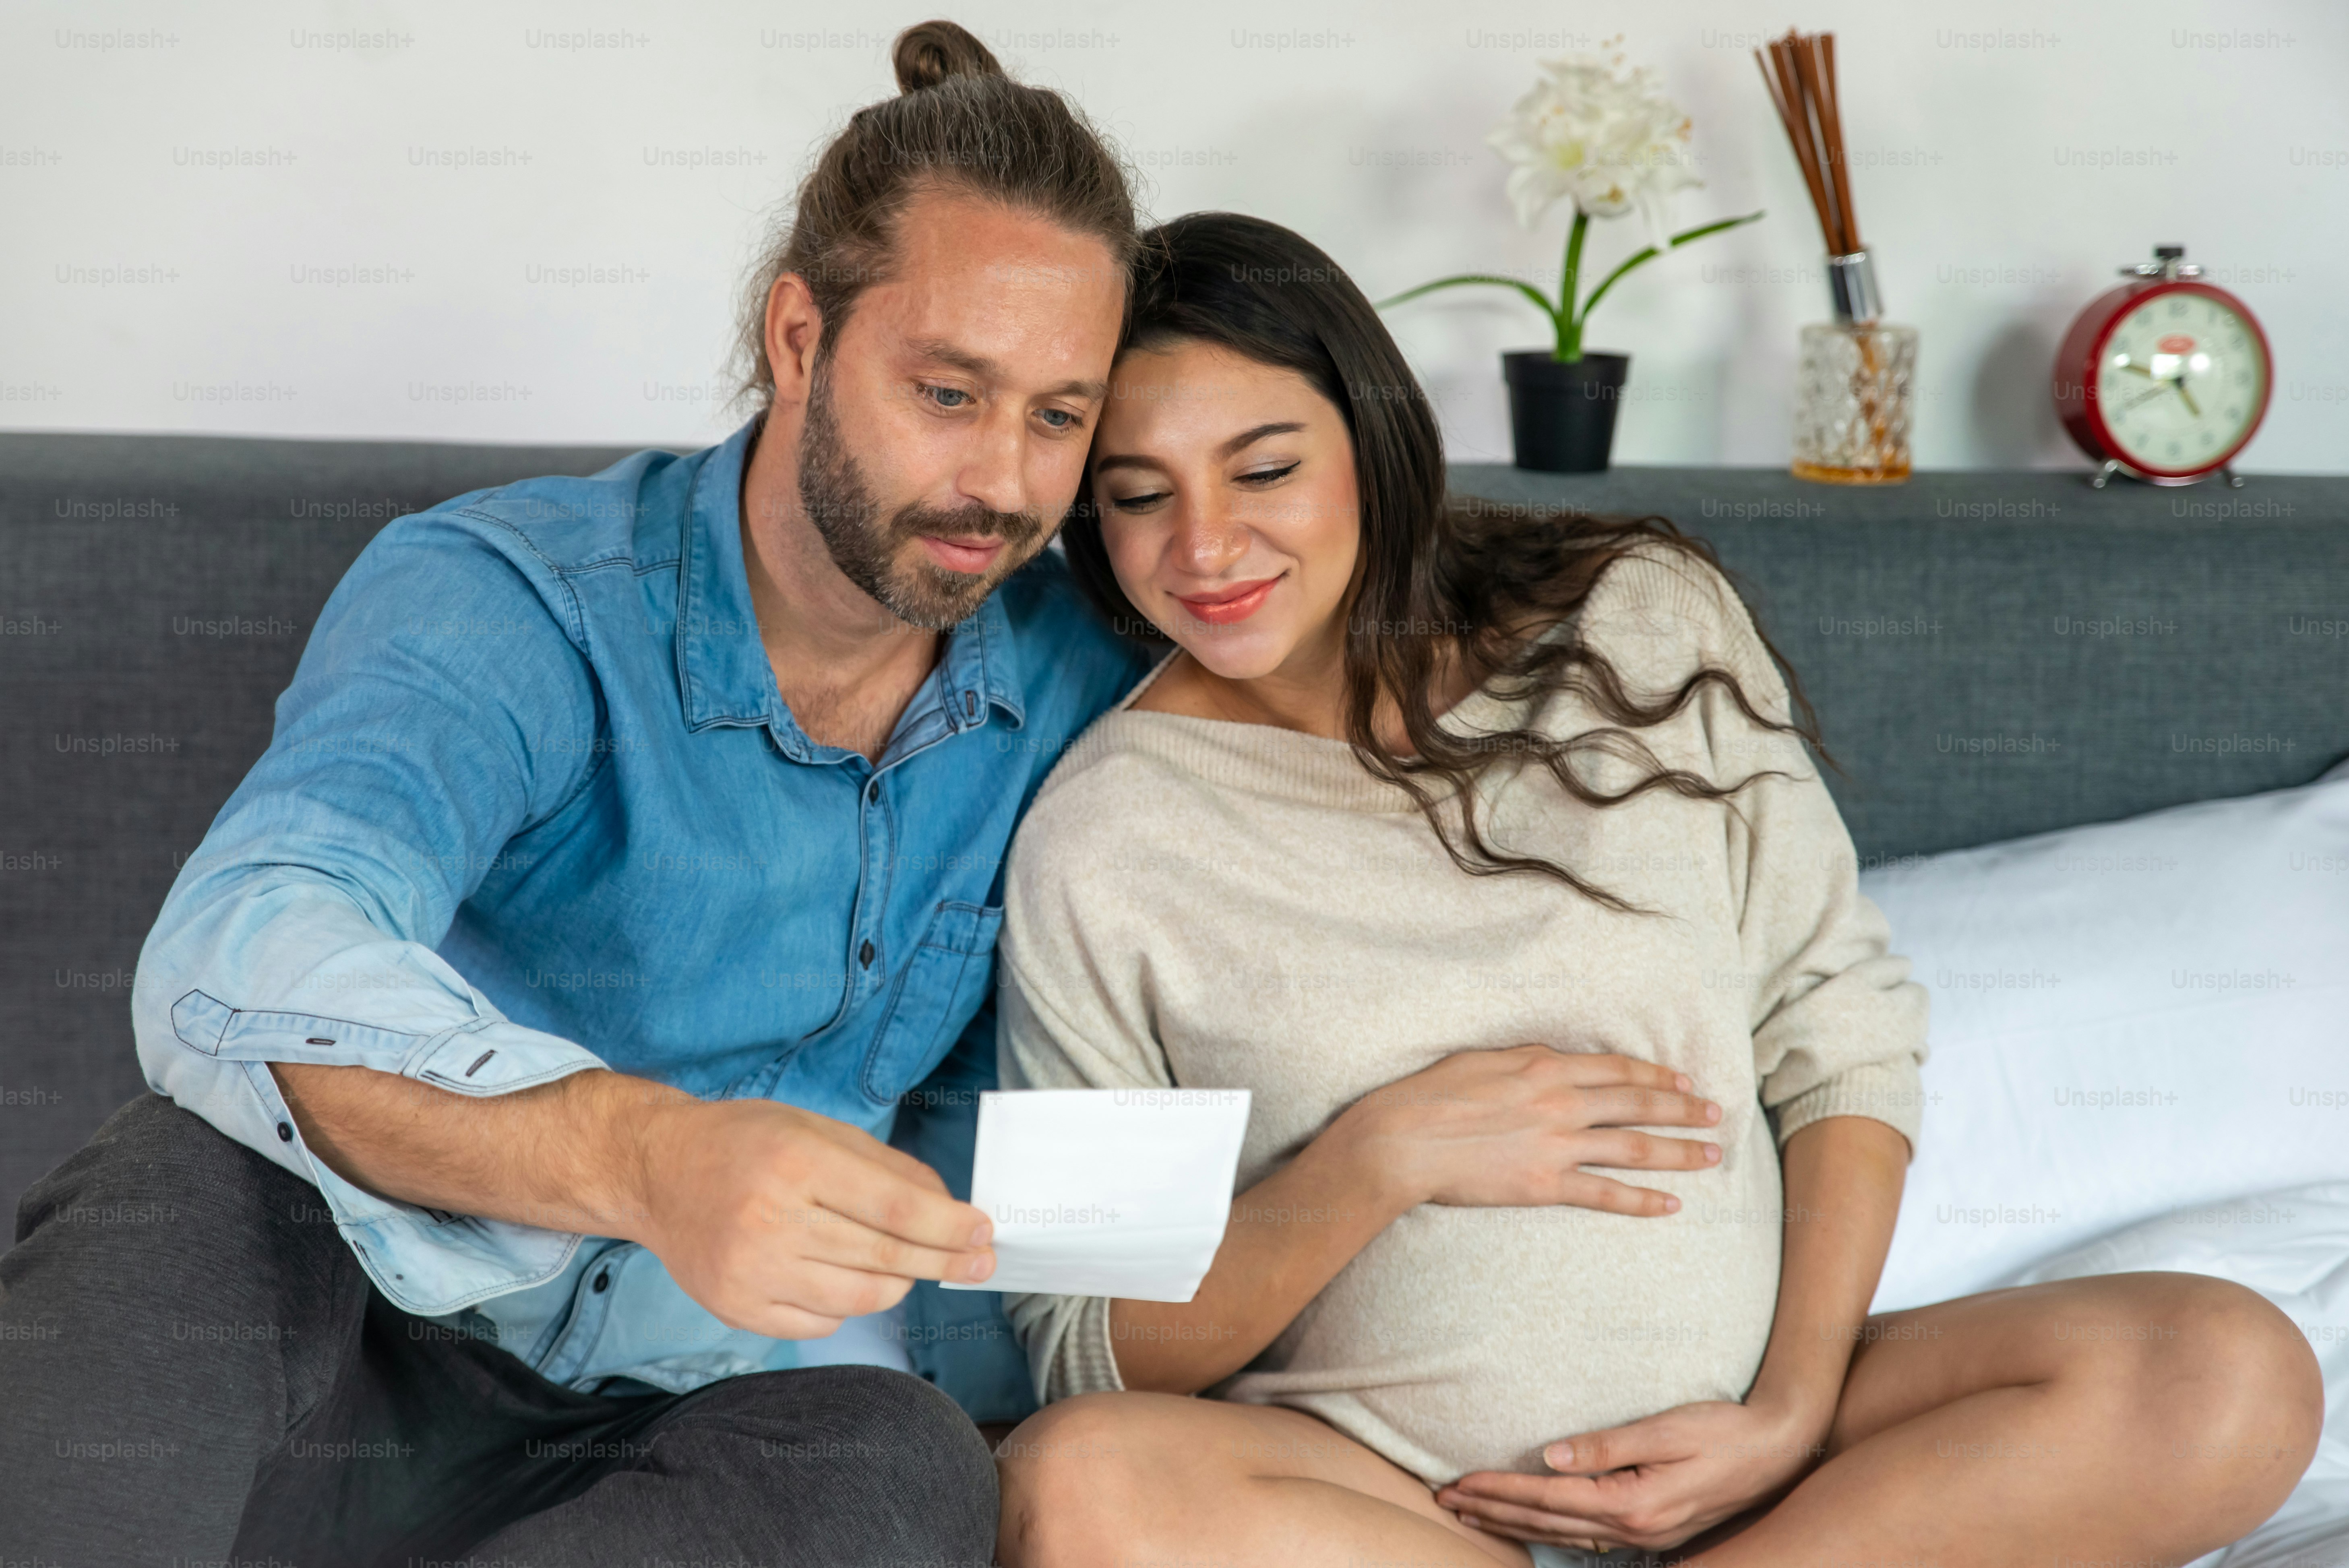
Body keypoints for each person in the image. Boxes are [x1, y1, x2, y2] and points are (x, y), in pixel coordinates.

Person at [989, 212, 2324, 1568]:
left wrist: (1790, 1412)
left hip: (1781, 1468)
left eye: (1263, 467)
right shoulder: (1101, 834)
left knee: (2221, 1367)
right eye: (1139, 493)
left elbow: (1836, 1026)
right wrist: (1377, 1160)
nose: (1205, 546)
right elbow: (1086, 1344)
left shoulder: (1636, 616)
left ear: (1373, 449)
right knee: (1075, 1483)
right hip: (1393, 1512)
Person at [0, 23, 1148, 1568]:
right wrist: (646, 1157)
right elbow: (241, 951)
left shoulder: (1081, 680)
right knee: (178, 1189)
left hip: (682, 1439)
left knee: (900, 1466)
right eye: (949, 391)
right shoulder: (518, 598)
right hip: (356, 1342)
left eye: (1059, 415)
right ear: (800, 336)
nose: (1003, 482)